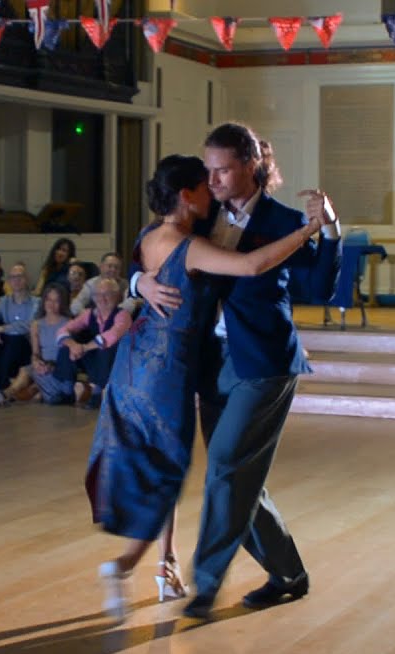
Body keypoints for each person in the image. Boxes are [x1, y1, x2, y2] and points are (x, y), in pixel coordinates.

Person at [92, 154, 323, 621]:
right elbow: (254, 265)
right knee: (176, 468)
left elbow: (137, 270)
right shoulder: (190, 245)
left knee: (165, 463)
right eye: (204, 183)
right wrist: (307, 231)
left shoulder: (151, 234)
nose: (212, 189)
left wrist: (138, 282)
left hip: (135, 363)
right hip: (170, 370)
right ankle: (130, 567)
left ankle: (158, 566)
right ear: (186, 195)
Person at [54, 278, 133, 408]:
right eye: (98, 295)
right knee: (67, 346)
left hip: (117, 360)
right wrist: (73, 346)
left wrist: (84, 348)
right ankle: (67, 392)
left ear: (116, 296)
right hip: (94, 358)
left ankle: (96, 394)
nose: (102, 299)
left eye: (107, 294)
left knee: (106, 348)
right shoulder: (89, 314)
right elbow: (64, 329)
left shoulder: (123, 315)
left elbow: (111, 336)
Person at [0, 262, 38, 405]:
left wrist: (0, 329)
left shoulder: (36, 302)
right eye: (13, 277)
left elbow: (27, 326)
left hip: (26, 346)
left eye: (20, 276)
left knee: (14, 338)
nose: (16, 280)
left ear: (26, 279)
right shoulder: (4, 301)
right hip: (8, 347)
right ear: (9, 281)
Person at [8, 282, 72, 403]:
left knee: (37, 388)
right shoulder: (36, 324)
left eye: (56, 301)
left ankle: (35, 391)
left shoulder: (68, 323)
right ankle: (9, 392)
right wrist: (36, 362)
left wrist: (49, 366)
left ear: (62, 303)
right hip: (42, 364)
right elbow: (35, 352)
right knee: (26, 370)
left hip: (58, 368)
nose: (51, 304)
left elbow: (68, 355)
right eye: (48, 299)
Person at [71, 252, 136, 316]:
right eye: (109, 266)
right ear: (101, 267)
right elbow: (75, 305)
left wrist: (110, 314)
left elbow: (130, 304)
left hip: (117, 319)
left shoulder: (125, 284)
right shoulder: (91, 284)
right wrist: (91, 316)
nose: (113, 270)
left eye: (116, 267)